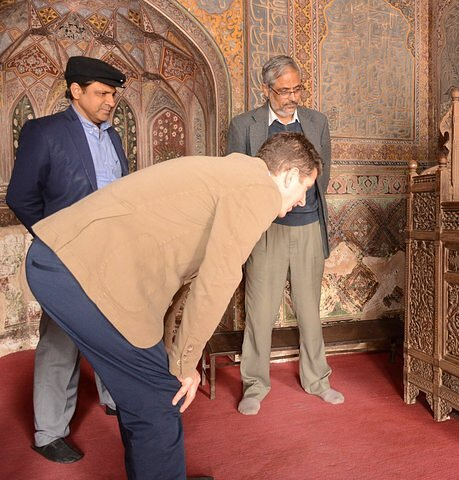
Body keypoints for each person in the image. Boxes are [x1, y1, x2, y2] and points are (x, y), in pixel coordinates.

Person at [24, 132, 321, 480]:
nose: (302, 201)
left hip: (63, 262)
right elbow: (218, 280)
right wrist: (184, 365)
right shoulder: (258, 189)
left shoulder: (232, 175)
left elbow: (183, 281)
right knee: (159, 402)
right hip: (83, 274)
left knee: (146, 395)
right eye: (304, 187)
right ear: (287, 175)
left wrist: (171, 353)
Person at [6, 55, 128, 464]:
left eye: (113, 94)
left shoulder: (113, 136)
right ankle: (49, 433)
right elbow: (21, 196)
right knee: (60, 342)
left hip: (112, 253)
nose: (110, 101)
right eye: (102, 93)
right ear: (76, 91)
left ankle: (115, 398)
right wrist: (56, 241)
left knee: (116, 330)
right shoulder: (45, 132)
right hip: (66, 257)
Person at [226, 55, 343, 415]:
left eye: (297, 89)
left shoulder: (317, 122)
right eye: (284, 90)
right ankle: (255, 385)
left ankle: (317, 379)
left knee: (310, 310)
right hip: (267, 230)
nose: (293, 97)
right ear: (267, 90)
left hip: (308, 227)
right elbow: (238, 178)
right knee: (260, 311)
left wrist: (301, 201)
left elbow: (322, 173)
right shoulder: (245, 126)